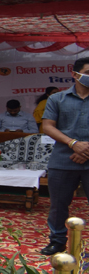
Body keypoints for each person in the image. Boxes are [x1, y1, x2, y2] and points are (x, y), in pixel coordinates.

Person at [39, 58, 89, 255]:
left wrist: (85, 150)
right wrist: (73, 144)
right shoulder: (57, 99)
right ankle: (57, 241)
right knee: (58, 205)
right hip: (63, 160)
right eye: (88, 72)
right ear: (75, 74)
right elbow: (48, 126)